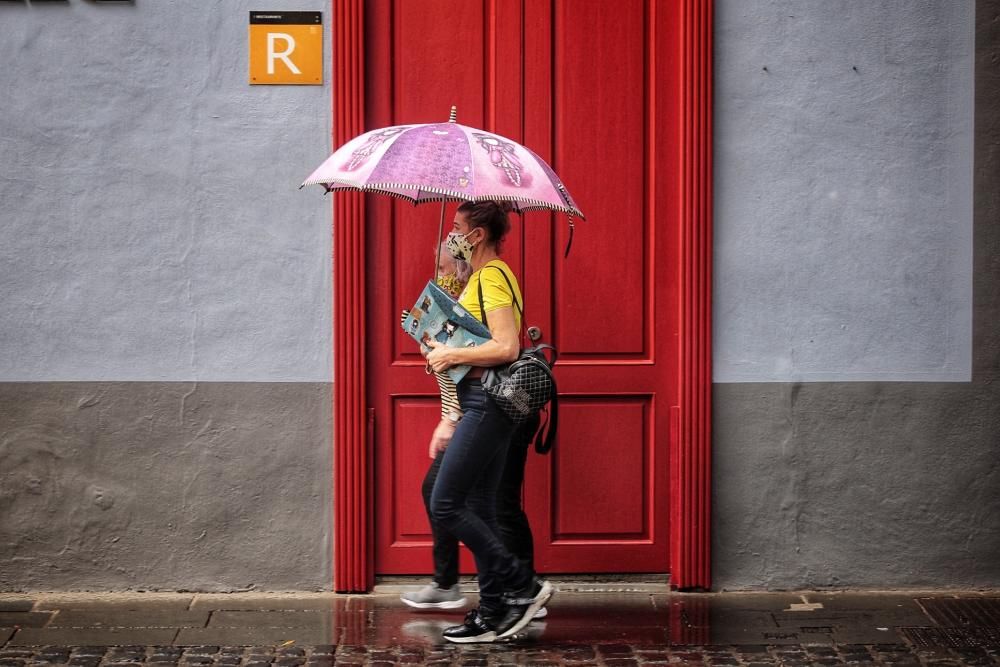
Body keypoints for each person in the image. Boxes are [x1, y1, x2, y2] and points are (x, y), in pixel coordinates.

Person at [422, 201, 553, 643]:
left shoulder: (492, 275)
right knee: (479, 507)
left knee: (445, 503)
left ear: (477, 235)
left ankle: (522, 584)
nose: (452, 234)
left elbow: (507, 346)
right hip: (480, 400)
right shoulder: (478, 277)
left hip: (488, 404)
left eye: (458, 227)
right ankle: (493, 611)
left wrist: (451, 353)